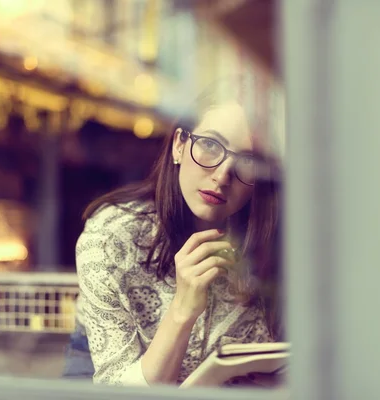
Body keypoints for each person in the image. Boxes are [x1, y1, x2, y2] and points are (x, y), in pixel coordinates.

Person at [62, 75, 285, 386]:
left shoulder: (274, 248)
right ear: (179, 145)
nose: (222, 175)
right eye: (210, 145)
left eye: (247, 160)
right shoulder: (112, 238)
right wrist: (183, 309)